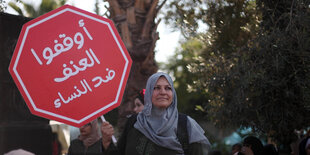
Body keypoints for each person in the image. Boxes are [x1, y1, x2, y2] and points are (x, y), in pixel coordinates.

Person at [104, 72, 211, 155]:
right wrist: (106, 142)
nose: (163, 92)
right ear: (149, 92)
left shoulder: (185, 124)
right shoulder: (134, 122)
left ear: (173, 94)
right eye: (157, 88)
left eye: (168, 88)